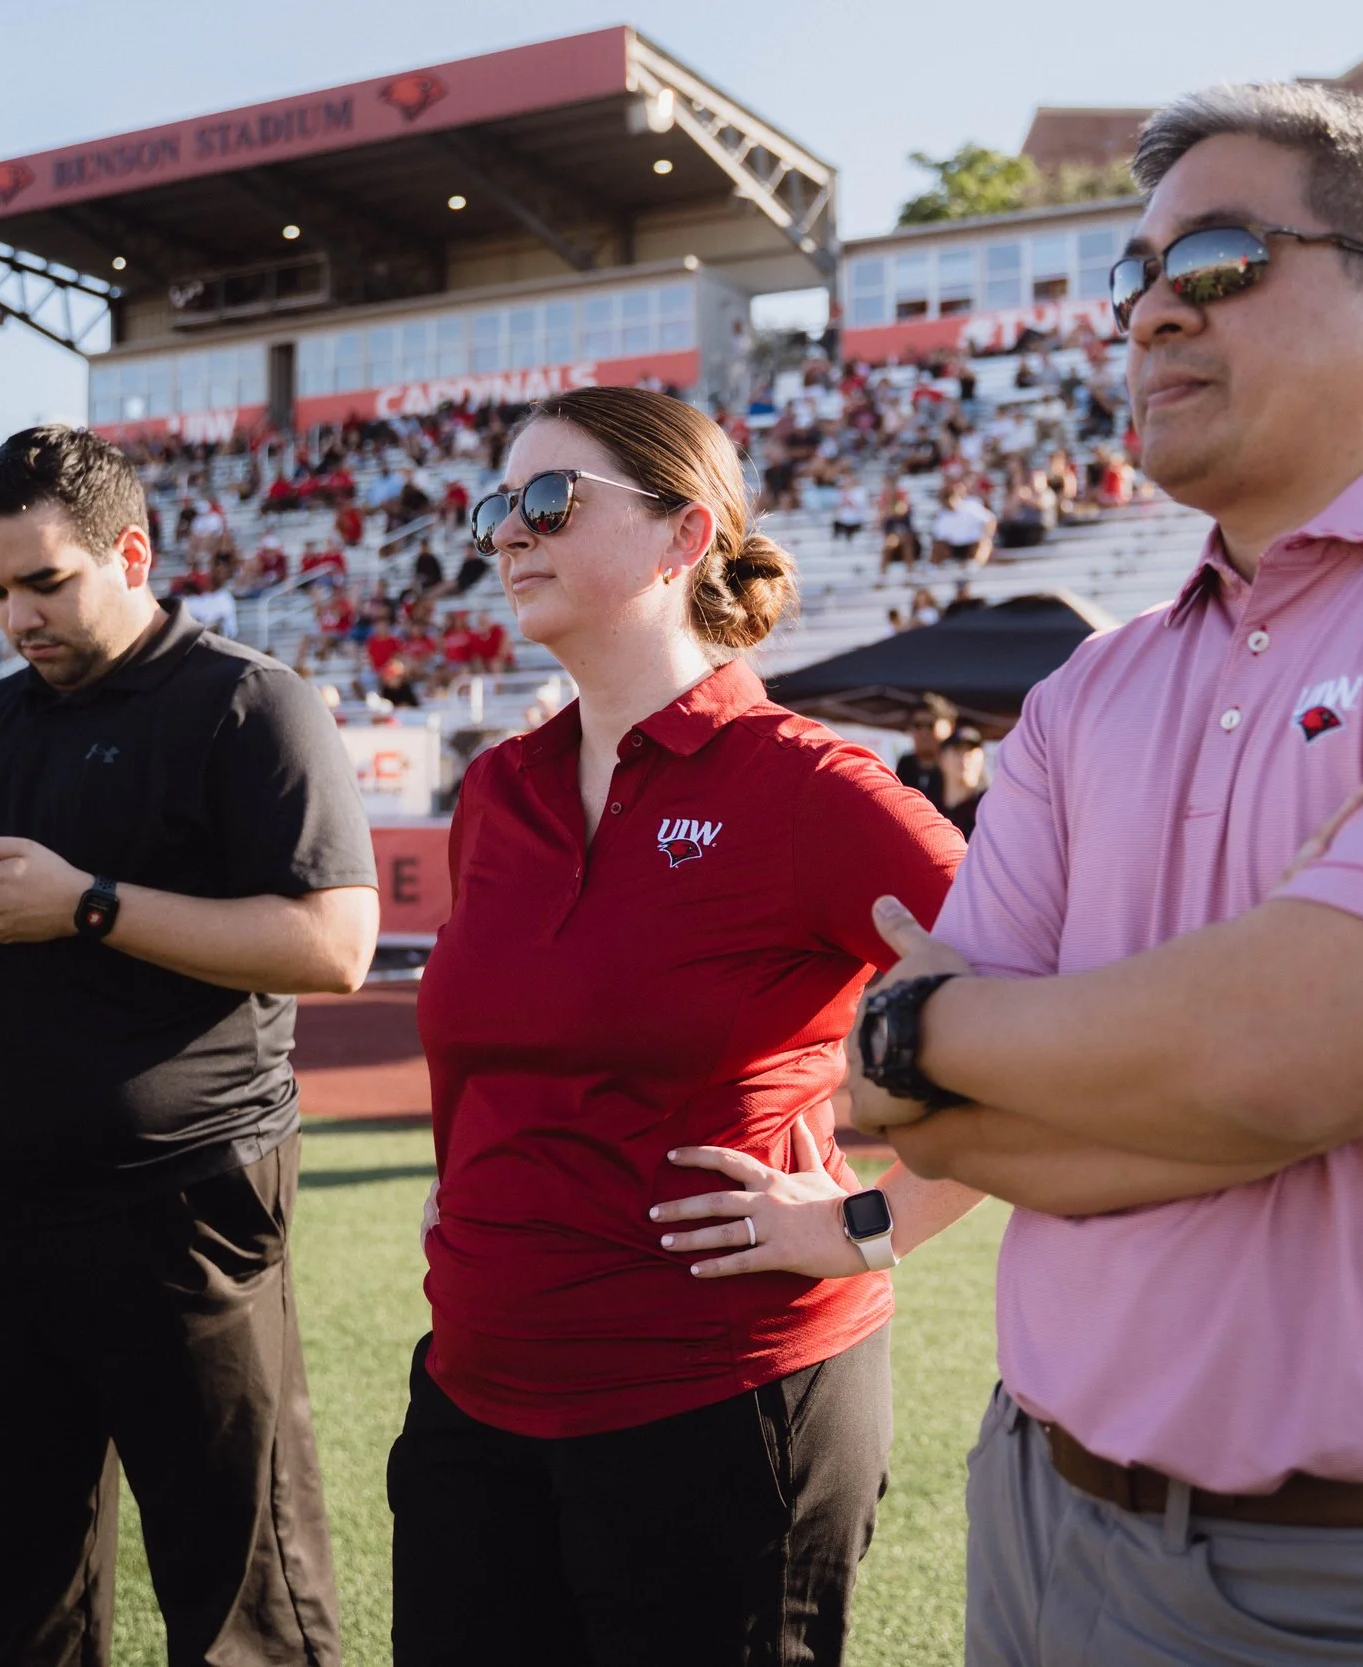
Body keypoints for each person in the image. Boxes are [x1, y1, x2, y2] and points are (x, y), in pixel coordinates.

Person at [845, 82, 1363, 1663]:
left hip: (1359, 1579)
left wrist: (926, 1025)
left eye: (1220, 258)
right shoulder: (1086, 689)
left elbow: (1281, 1054)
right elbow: (921, 1122)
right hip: (1031, 1499)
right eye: (1136, 272)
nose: (1152, 309)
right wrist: (1223, 1062)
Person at [397, 385, 984, 1666]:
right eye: (494, 507)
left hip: (720, 1406)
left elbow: (1044, 995)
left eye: (549, 499)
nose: (508, 532)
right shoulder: (498, 787)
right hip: (471, 1395)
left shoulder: (808, 784)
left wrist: (870, 1222)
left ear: (684, 535)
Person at [0, 425, 381, 1667]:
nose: (16, 616)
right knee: (11, 1594)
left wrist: (85, 904)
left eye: (45, 581)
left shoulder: (247, 700)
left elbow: (335, 943)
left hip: (176, 1207)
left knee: (242, 1602)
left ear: (131, 553)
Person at [895, 693, 958, 803]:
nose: (924, 733)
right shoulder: (905, 766)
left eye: (931, 725)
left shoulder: (959, 767)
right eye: (918, 725)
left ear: (950, 728)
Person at [930, 483, 997, 568]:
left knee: (985, 543)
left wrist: (986, 535)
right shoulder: (941, 514)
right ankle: (932, 569)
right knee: (938, 545)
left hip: (972, 545)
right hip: (953, 547)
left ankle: (974, 566)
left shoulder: (971, 507)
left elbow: (990, 520)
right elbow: (939, 537)